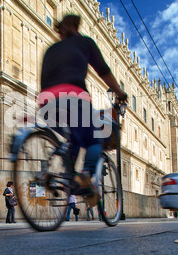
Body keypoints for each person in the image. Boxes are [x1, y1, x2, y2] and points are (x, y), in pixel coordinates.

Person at [39, 14, 127, 206]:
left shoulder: (51, 49)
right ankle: (85, 175)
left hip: (46, 102)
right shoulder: (85, 42)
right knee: (94, 139)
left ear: (59, 31)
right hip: (74, 97)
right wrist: (120, 93)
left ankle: (68, 178)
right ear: (77, 27)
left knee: (74, 139)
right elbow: (103, 71)